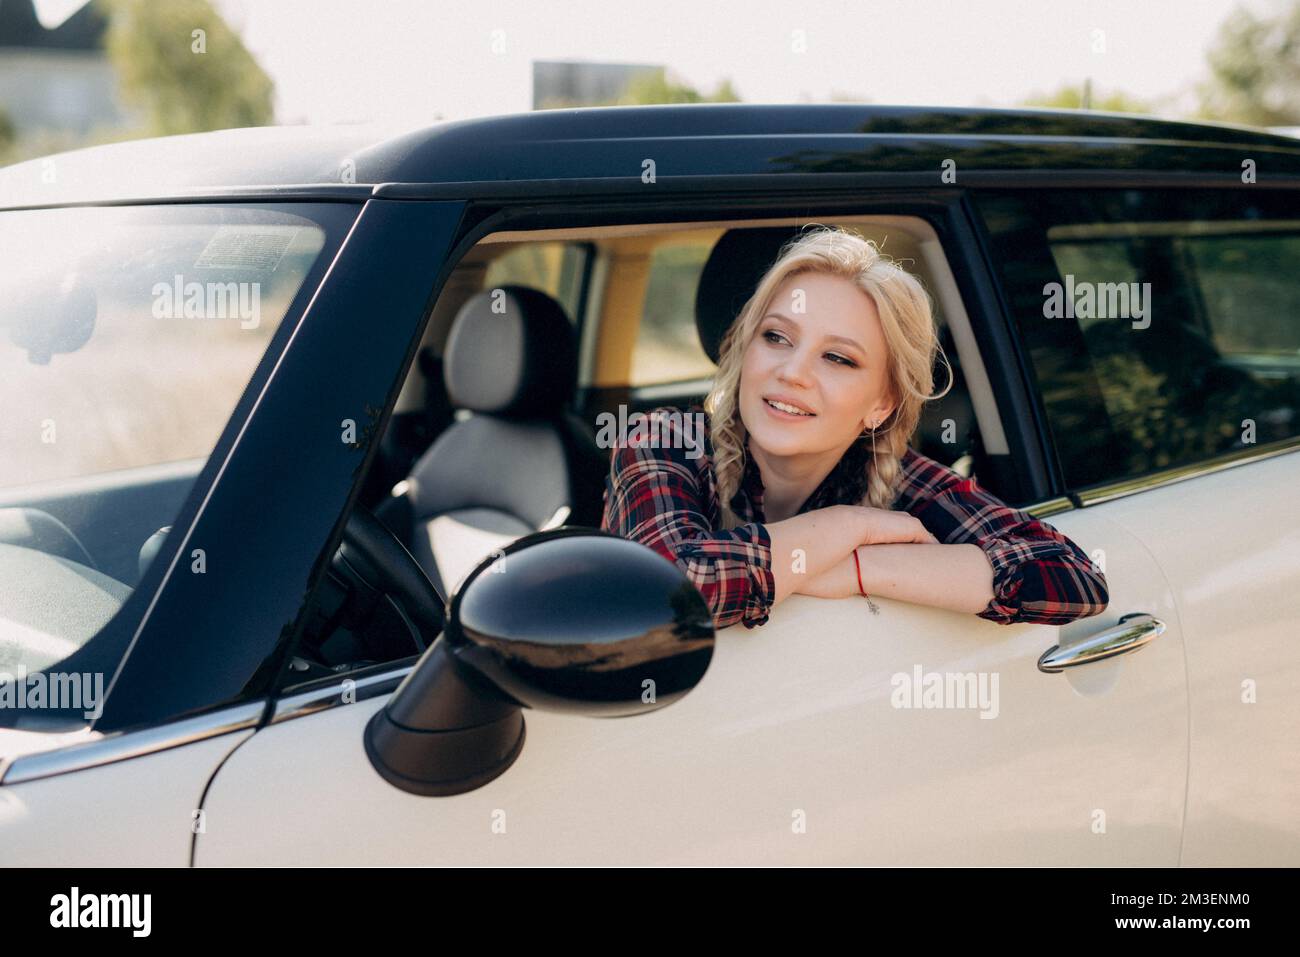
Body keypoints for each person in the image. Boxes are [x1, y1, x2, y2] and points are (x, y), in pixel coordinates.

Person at [600, 226, 1109, 629]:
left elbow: (1074, 579)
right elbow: (665, 593)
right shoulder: (663, 439)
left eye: (838, 358)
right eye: (776, 337)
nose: (793, 372)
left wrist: (853, 568)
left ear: (881, 404)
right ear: (744, 348)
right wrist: (851, 528)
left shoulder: (896, 474)